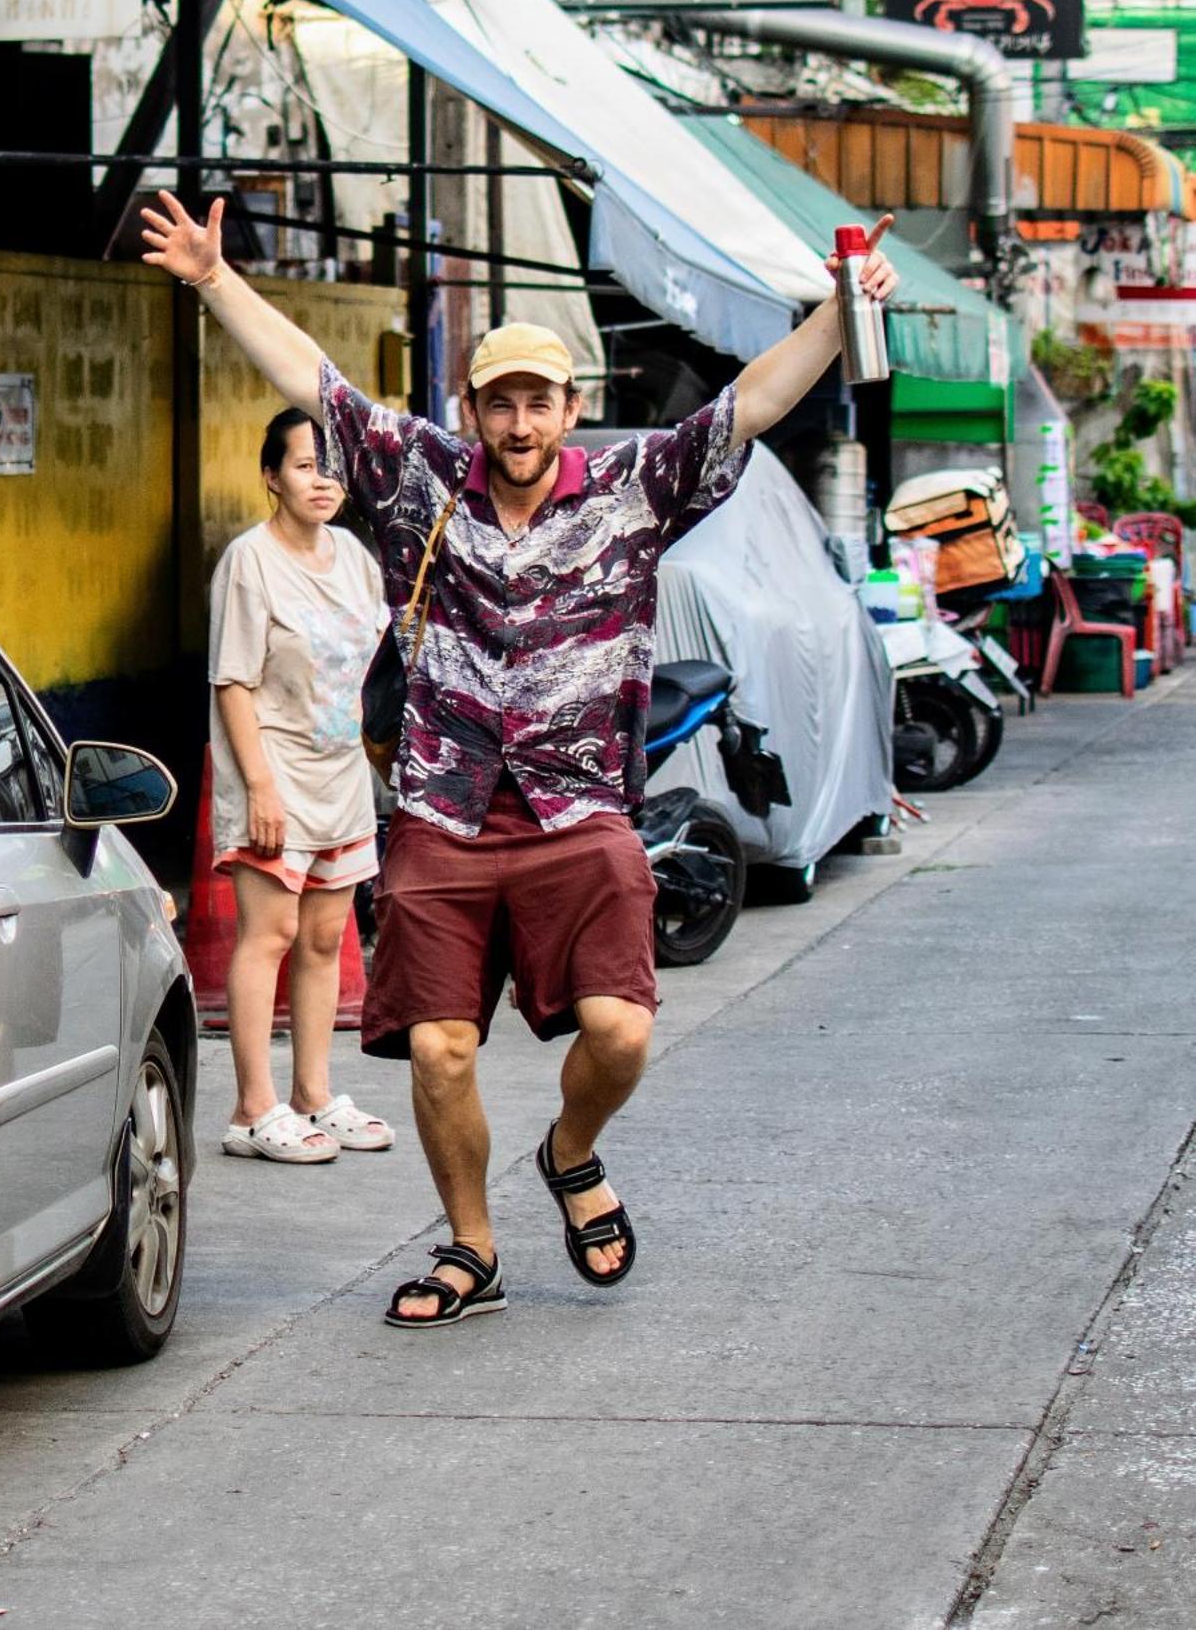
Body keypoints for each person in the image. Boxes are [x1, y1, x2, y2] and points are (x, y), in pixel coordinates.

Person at [143, 188, 897, 1322]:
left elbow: (750, 405)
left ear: (569, 406)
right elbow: (312, 379)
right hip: (445, 810)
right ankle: (472, 1247)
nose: (519, 426)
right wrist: (213, 279)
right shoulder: (421, 478)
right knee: (441, 1049)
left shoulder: (634, 488)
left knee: (620, 1028)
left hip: (579, 805)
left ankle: (572, 1152)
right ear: (473, 408)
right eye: (499, 405)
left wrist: (840, 313)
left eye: (538, 403)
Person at [209, 405, 394, 1165]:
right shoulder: (249, 562)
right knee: (271, 936)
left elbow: (380, 663)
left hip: (342, 774)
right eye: (303, 465)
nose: (321, 480)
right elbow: (232, 681)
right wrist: (258, 788)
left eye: (331, 466)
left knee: (323, 938)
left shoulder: (353, 555)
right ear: (271, 478)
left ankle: (314, 1094)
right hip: (274, 772)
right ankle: (253, 1109)